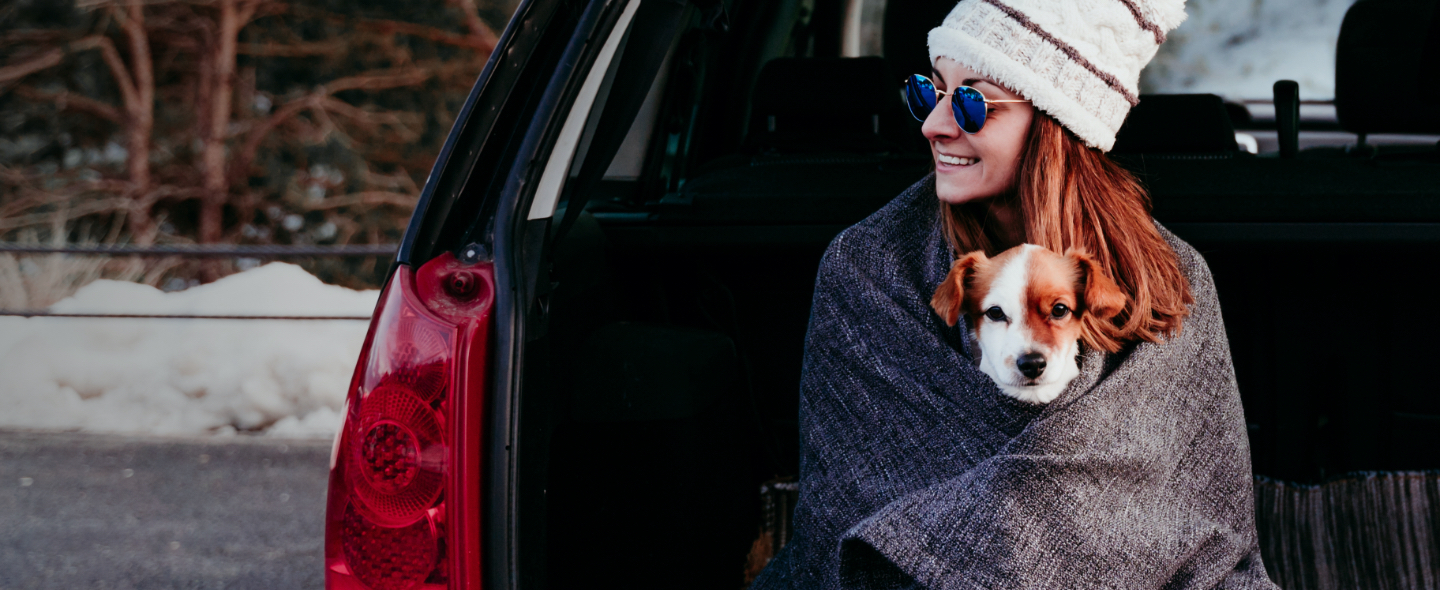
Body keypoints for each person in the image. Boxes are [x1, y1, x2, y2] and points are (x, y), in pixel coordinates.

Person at [748, 0, 1280, 588]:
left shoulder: (1169, 280)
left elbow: (1203, 525)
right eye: (930, 93)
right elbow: (848, 522)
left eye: (973, 103)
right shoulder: (869, 268)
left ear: (1058, 121)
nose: (933, 125)